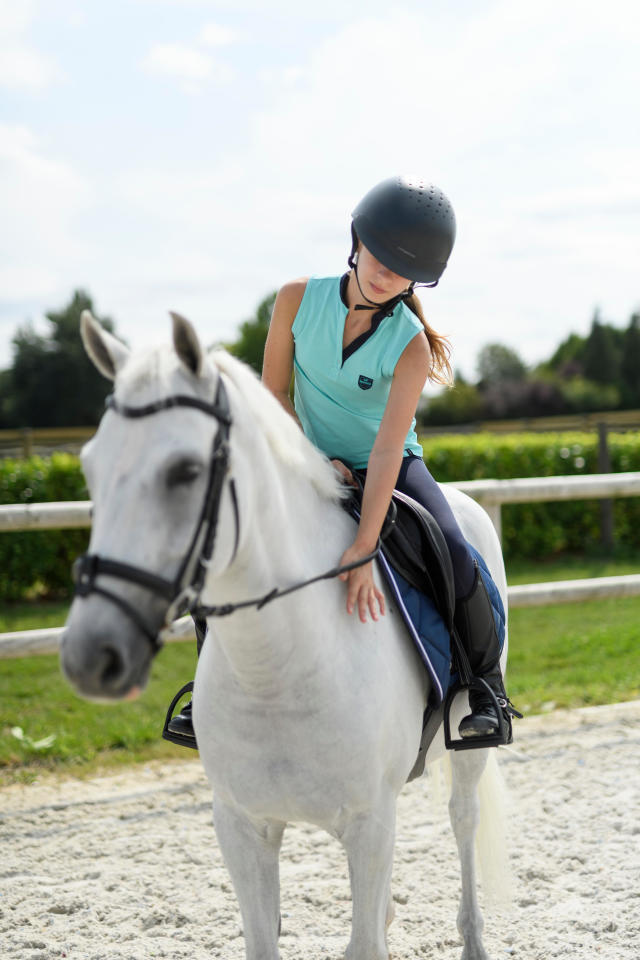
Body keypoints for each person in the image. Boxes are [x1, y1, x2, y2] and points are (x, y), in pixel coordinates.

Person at [164, 175, 517, 747]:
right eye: (380, 255)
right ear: (357, 239)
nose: (385, 272)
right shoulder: (296, 299)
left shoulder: (410, 344)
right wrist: (312, 460)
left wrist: (363, 546)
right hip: (299, 453)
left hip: (391, 464)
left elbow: (383, 448)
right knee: (225, 536)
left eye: (403, 269)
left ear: (417, 279)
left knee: (453, 550)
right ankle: (207, 694)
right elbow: (274, 395)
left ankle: (485, 690)